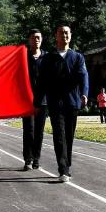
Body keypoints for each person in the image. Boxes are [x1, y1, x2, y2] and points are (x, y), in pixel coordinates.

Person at [37, 25, 89, 183]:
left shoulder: (77, 57)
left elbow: (84, 76)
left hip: (72, 102)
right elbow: (42, 81)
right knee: (59, 135)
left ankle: (66, 164)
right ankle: (63, 169)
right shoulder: (48, 58)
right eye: (61, 33)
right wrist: (38, 100)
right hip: (55, 103)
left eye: (67, 33)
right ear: (56, 36)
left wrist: (84, 93)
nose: (64, 35)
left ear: (70, 36)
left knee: (69, 136)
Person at [22, 29, 48, 171]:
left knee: (39, 131)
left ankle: (36, 158)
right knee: (29, 130)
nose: (36, 39)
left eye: (38, 37)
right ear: (29, 40)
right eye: (33, 37)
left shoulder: (47, 57)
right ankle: (28, 159)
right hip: (27, 100)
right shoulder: (23, 57)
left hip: (43, 100)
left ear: (41, 39)